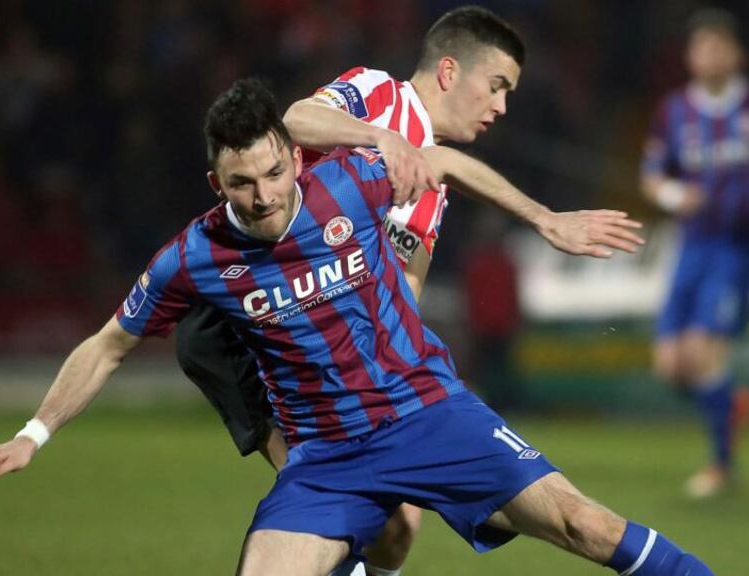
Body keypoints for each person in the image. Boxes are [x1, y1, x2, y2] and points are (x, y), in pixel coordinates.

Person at [0, 78, 713, 576]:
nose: (265, 195)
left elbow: (444, 164)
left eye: (276, 171)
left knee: (584, 525)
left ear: (292, 157)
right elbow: (108, 344)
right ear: (217, 183)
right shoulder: (193, 256)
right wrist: (33, 434)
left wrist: (545, 219)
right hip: (327, 459)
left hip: (430, 415)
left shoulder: (347, 179)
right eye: (242, 183)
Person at [176, 7, 645, 575]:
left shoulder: (432, 188)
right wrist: (381, 138)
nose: (500, 105)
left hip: (333, 348)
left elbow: (403, 287)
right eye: (496, 86)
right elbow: (297, 120)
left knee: (399, 526)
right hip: (245, 319)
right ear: (449, 71)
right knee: (333, 498)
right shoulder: (378, 94)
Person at [640, 8, 749, 499]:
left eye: (719, 45)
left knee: (702, 351)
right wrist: (673, 197)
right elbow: (653, 175)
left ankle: (721, 465)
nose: (710, 55)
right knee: (669, 365)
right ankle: (728, 401)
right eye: (701, 46)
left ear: (737, 53)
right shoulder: (675, 111)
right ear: (689, 56)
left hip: (737, 246)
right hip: (692, 243)